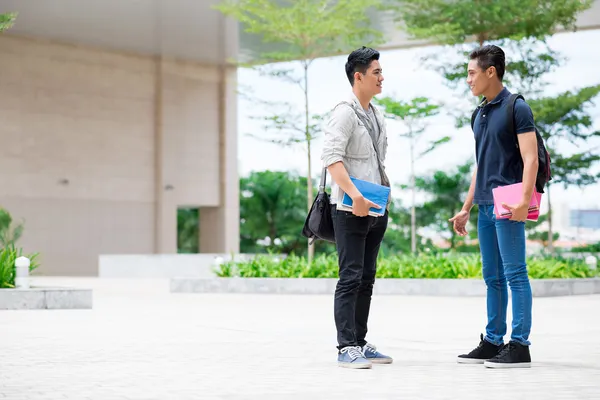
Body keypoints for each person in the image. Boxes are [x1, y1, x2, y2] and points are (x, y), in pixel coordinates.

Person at [449, 45, 538, 368]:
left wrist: (524, 202)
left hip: (509, 201)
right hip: (485, 204)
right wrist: (466, 207)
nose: (468, 79)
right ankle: (492, 340)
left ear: (491, 72)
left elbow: (531, 157)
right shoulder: (480, 112)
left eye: (472, 72)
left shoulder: (516, 107)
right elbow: (481, 164)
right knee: (493, 278)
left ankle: (519, 345)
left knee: (515, 274)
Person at [321, 46, 393, 369]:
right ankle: (345, 346)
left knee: (366, 278)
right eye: (376, 72)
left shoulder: (376, 114)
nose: (381, 77)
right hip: (349, 209)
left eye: (381, 72)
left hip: (376, 208)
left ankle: (360, 342)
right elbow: (332, 159)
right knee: (349, 276)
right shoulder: (344, 112)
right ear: (358, 76)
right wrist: (355, 195)